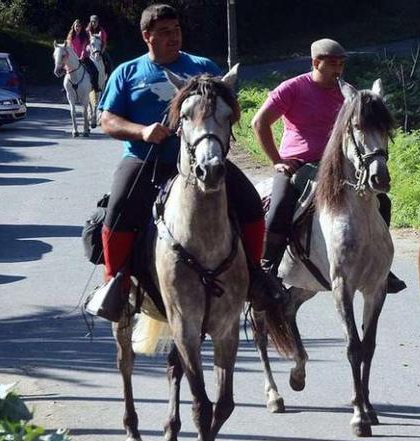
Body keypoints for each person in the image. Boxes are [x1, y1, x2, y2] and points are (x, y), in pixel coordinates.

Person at [96, 3, 283, 319]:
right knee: (117, 210)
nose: (174, 37)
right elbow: (107, 119)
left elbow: (230, 108)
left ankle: (254, 276)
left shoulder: (203, 67)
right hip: (145, 159)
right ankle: (116, 286)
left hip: (204, 158)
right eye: (164, 32)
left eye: (177, 30)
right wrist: (143, 131)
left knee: (251, 203)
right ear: (147, 36)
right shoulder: (127, 72)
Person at [250, 38, 406, 293]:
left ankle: (380, 266)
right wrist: (277, 161)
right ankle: (269, 268)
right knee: (279, 206)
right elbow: (259, 122)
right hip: (298, 165)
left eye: (341, 64)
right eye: (332, 63)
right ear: (315, 63)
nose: (338, 69)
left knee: (382, 201)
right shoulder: (292, 88)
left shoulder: (348, 93)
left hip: (339, 166)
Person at [65, 19, 99, 90]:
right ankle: (65, 87)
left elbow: (84, 49)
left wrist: (81, 57)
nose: (77, 28)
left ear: (81, 27)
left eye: (79, 26)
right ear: (74, 27)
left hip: (83, 58)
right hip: (73, 59)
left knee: (95, 71)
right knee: (64, 70)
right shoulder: (70, 37)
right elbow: (69, 48)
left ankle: (95, 87)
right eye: (76, 26)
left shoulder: (84, 37)